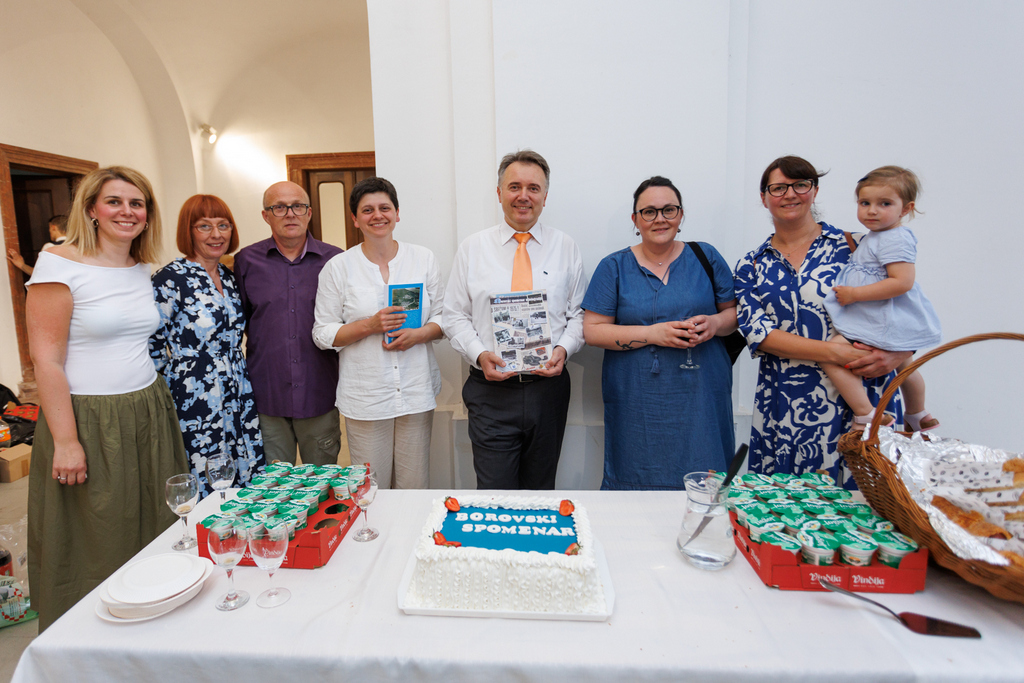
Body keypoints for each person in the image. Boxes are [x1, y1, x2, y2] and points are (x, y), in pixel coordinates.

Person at [25, 167, 189, 630]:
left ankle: (152, 616)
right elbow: (46, 360)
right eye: (114, 201)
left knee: (151, 521)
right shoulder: (59, 264)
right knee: (97, 531)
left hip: (147, 408)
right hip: (89, 416)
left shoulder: (139, 268)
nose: (127, 212)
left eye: (137, 203)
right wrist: (66, 441)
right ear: (92, 209)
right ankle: (89, 633)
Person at [734, 156, 911, 486]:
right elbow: (760, 334)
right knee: (788, 508)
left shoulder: (858, 246)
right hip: (785, 406)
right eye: (778, 188)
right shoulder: (751, 265)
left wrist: (898, 353)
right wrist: (835, 353)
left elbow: (904, 307)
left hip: (864, 398)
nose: (790, 194)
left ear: (814, 191)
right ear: (763, 197)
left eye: (800, 185)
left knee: (868, 504)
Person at [443, 150, 587, 490]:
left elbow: (579, 314)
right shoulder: (472, 248)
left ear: (545, 196)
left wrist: (564, 350)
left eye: (533, 188)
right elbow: (454, 315)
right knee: (494, 494)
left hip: (548, 391)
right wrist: (480, 354)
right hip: (490, 391)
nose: (524, 196)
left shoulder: (565, 247)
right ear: (499, 193)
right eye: (514, 187)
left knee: (541, 491)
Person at [582, 176, 736, 489]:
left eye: (669, 210)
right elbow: (593, 332)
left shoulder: (706, 257)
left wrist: (715, 324)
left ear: (681, 215)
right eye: (649, 211)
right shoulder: (613, 267)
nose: (660, 218)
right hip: (637, 399)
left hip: (701, 395)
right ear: (635, 219)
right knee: (636, 476)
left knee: (704, 478)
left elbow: (734, 315)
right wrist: (653, 334)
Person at [312, 177, 444, 488]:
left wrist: (419, 335)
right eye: (367, 210)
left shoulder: (423, 258)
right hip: (366, 397)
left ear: (397, 213)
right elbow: (322, 333)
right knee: (371, 489)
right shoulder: (338, 267)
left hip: (415, 390)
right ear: (355, 219)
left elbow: (444, 317)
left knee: (414, 485)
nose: (377, 215)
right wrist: (369, 326)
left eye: (384, 208)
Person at [150, 195, 267, 496]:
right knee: (204, 467)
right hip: (195, 391)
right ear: (188, 231)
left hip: (237, 385)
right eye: (204, 226)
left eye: (223, 225)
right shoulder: (170, 279)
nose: (216, 234)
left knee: (243, 464)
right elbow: (150, 341)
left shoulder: (229, 276)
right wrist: (172, 384)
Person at [822, 166, 941, 431]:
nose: (872, 210)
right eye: (865, 203)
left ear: (906, 208)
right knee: (905, 367)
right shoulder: (880, 236)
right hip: (884, 316)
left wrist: (854, 294)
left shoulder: (894, 239)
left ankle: (866, 413)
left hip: (879, 318)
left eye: (884, 203)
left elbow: (902, 282)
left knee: (831, 354)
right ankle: (917, 414)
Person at [234, 181, 343, 465]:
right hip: (267, 395)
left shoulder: (335, 260)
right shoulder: (246, 261)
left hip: (319, 392)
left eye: (298, 206)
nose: (290, 214)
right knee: (272, 485)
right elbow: (240, 321)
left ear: (309, 213)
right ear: (265, 215)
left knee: (321, 483)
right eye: (279, 207)